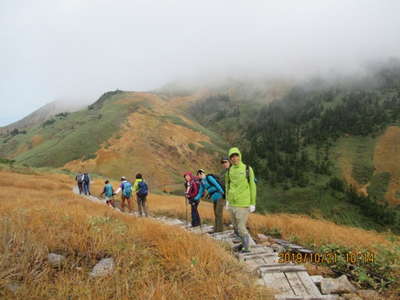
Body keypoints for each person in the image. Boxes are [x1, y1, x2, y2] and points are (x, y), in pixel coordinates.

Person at [225, 147, 257, 253]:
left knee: (241, 227)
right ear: (230, 159)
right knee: (235, 227)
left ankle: (247, 248)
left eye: (236, 155)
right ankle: (243, 244)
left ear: (240, 156)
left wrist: (252, 203)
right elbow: (227, 185)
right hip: (232, 204)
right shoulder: (229, 170)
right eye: (232, 157)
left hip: (243, 203)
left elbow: (253, 186)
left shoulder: (247, 169)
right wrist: (227, 200)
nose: (234, 158)